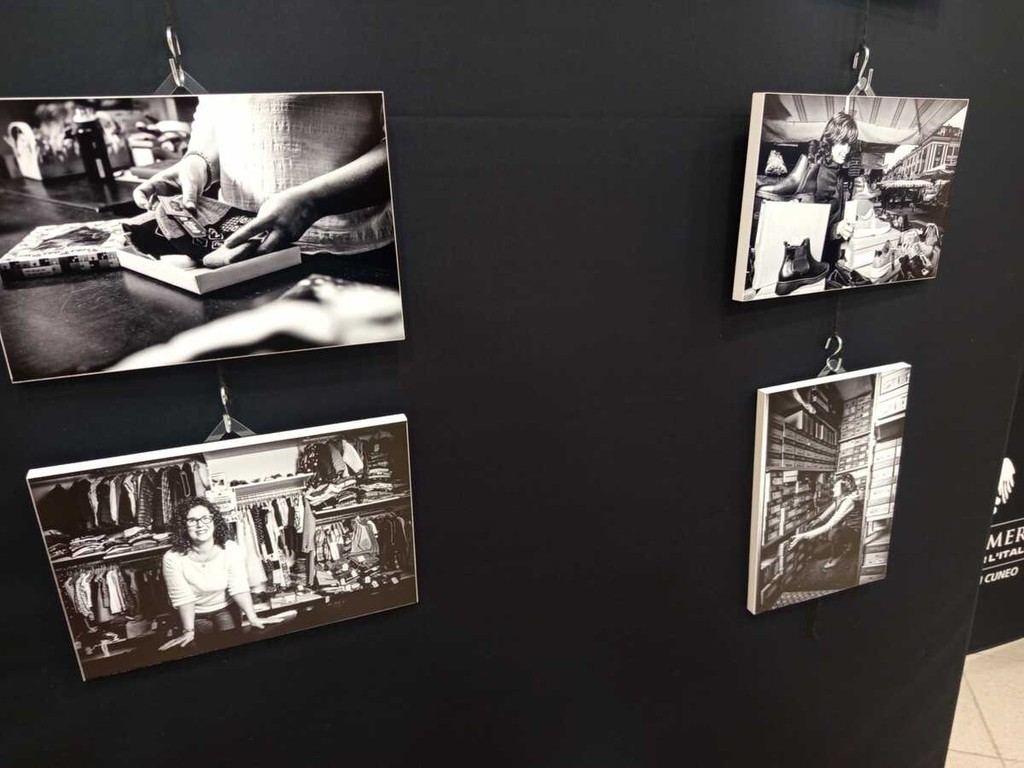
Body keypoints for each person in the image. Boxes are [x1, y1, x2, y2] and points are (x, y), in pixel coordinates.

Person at [132, 93, 393, 267]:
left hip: (342, 252)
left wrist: (315, 201)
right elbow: (214, 115)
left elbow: (404, 143)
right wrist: (197, 163)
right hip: (234, 252)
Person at [758, 111, 860, 266]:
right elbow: (806, 227)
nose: (846, 150)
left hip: (828, 254)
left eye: (849, 144)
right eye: (842, 142)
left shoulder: (835, 171)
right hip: (815, 258)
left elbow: (830, 212)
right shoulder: (820, 174)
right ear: (831, 139)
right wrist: (836, 229)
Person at [161, 497, 265, 649]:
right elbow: (183, 597)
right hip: (194, 613)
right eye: (192, 520)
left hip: (226, 609)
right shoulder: (172, 558)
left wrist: (253, 618)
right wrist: (188, 631)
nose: (200, 524)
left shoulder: (230, 549)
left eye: (205, 518)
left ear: (214, 521)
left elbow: (239, 587)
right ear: (183, 526)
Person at [790, 473, 862, 570]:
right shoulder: (840, 498)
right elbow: (829, 509)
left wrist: (804, 535)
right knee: (817, 553)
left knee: (836, 535)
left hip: (855, 529)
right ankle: (844, 546)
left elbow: (829, 525)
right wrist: (817, 520)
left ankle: (837, 557)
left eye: (836, 487)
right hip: (847, 525)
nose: (833, 489)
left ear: (844, 488)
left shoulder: (848, 501)